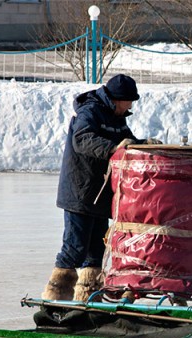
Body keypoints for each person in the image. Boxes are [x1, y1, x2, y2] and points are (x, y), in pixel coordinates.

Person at [41, 74, 154, 302]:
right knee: (75, 247)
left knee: (95, 251)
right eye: (129, 101)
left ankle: (87, 297)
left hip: (101, 194)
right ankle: (55, 295)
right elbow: (82, 139)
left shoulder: (117, 117)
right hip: (80, 191)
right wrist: (113, 148)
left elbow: (126, 141)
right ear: (117, 99)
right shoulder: (89, 111)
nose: (131, 106)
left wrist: (144, 145)